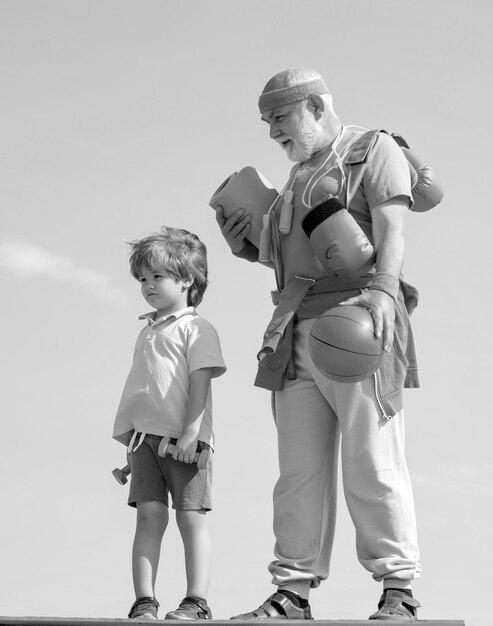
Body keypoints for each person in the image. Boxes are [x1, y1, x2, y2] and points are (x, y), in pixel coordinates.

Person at [215, 68, 422, 622]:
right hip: (294, 332)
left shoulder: (371, 149)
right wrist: (249, 245)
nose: (273, 133)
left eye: (280, 118)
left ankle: (398, 590)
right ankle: (292, 593)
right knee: (297, 473)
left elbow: (392, 229)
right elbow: (290, 258)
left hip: (357, 323)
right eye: (267, 123)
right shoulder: (294, 180)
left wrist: (383, 290)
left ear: (314, 106)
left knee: (372, 462)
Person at [113, 227, 226, 621]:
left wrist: (191, 436)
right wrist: (130, 446)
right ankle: (144, 600)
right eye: (142, 278)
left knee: (190, 517)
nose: (147, 285)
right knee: (149, 516)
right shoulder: (146, 331)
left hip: (185, 440)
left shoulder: (196, 328)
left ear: (187, 279)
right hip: (144, 442)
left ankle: (196, 601)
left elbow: (200, 383)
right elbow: (145, 390)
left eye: (157, 276)